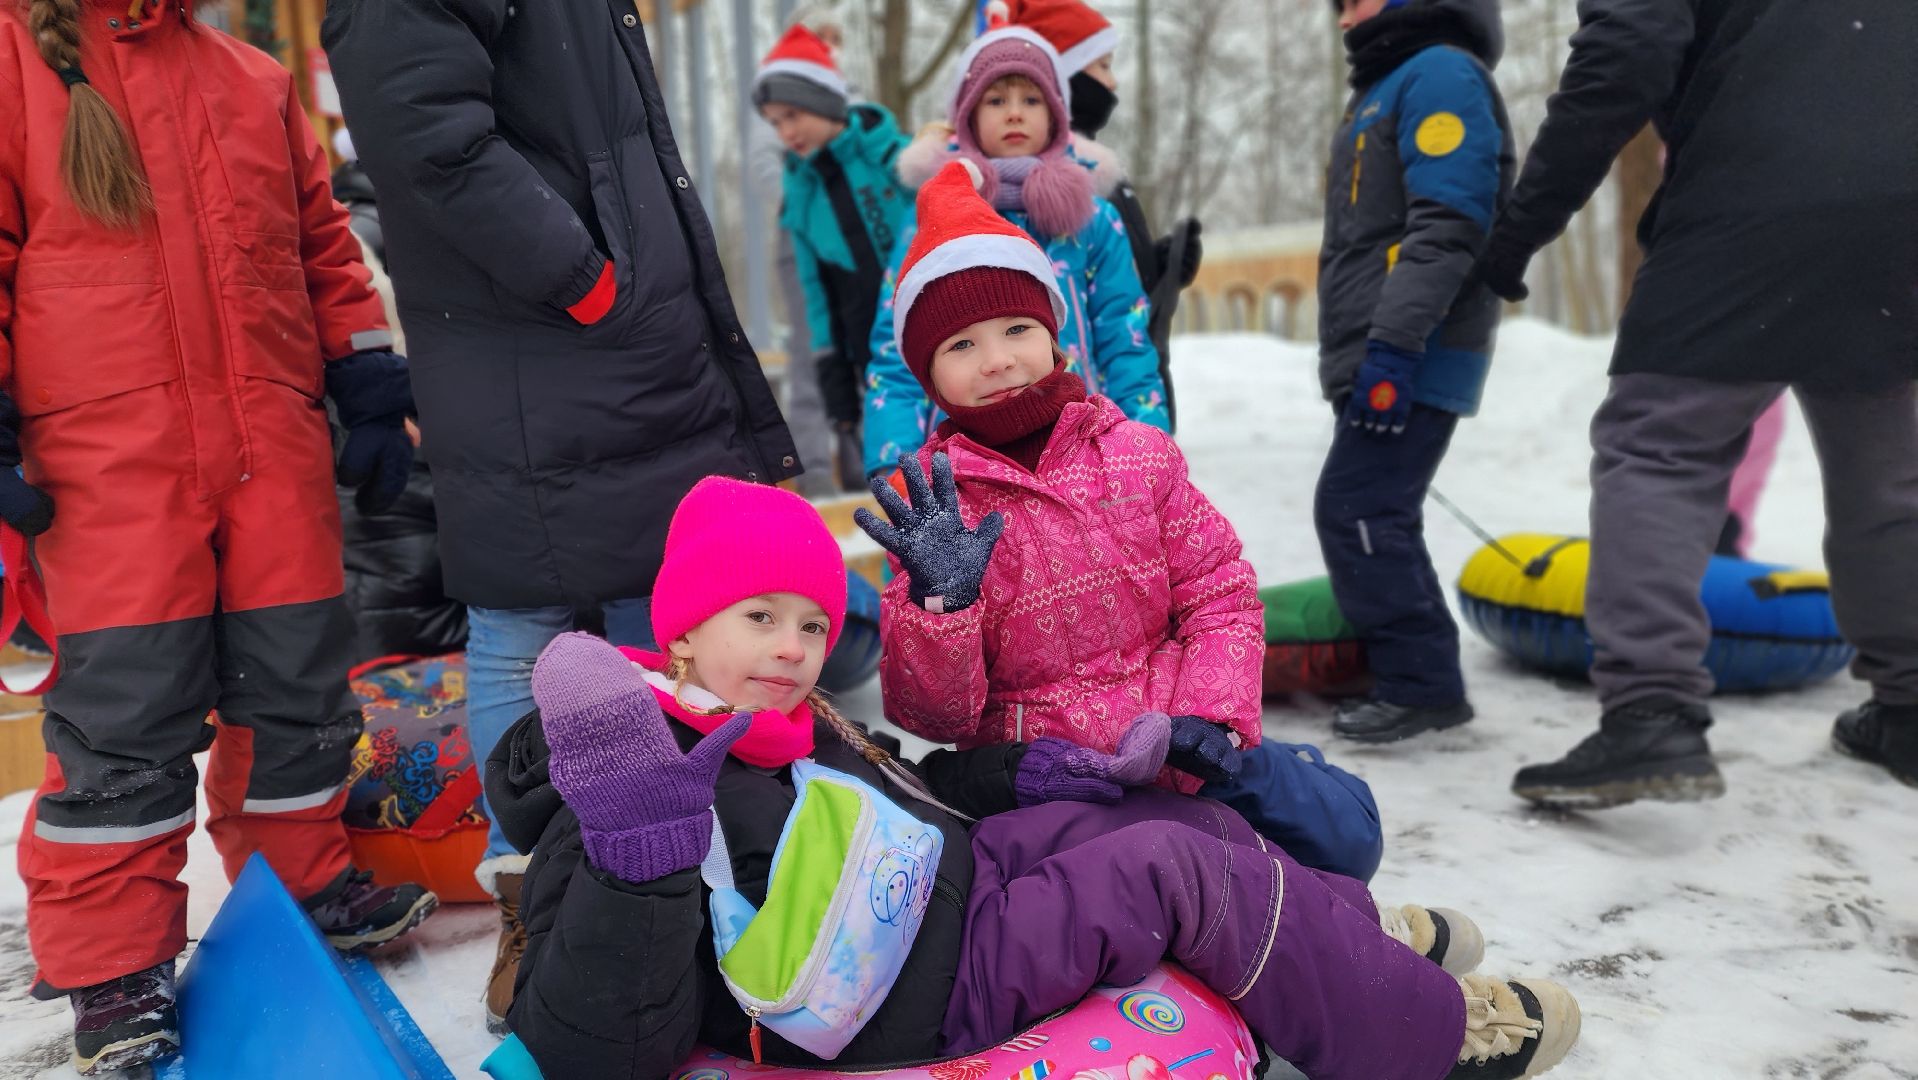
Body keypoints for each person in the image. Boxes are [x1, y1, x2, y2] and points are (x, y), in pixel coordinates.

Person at [486, 475, 1582, 1080]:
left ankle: (1344, 939)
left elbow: (895, 783)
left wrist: (1027, 773)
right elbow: (595, 1040)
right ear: (679, 633)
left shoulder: (773, 719)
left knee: (1154, 811)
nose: (792, 646)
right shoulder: (628, 769)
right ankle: (1429, 1038)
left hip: (940, 882)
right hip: (899, 987)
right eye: (758, 617)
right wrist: (643, 866)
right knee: (1164, 872)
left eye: (814, 622)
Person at [322, 0, 800, 1032]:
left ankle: (686, 889)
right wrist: (583, 276)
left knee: (660, 602)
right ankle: (540, 899)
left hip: (609, 332)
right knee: (523, 615)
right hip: (537, 330)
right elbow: (427, 135)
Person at [2, 1, 436, 1070]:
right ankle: (114, 968)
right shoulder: (14, 59)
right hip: (107, 471)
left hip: (270, 456)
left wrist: (367, 375)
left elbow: (323, 241)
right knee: (123, 721)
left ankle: (299, 881)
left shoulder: (248, 76)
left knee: (298, 692)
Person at [860, 164, 1384, 881]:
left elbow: (1220, 593)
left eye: (1016, 328)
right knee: (1187, 878)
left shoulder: (1137, 455)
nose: (998, 360)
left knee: (1348, 836)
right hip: (1061, 778)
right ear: (929, 374)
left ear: (1054, 336)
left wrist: (1209, 713)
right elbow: (937, 719)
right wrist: (939, 607)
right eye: (962, 345)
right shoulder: (933, 507)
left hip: (1182, 736)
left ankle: (1288, 786)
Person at [1471, 0, 1918, 803]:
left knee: (1661, 446)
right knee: (1889, 475)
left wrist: (1516, 233)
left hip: (1755, 194)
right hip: (1902, 205)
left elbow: (1626, 52)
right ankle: (1912, 708)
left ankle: (1651, 712)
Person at [1312, 0, 1513, 744]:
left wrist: (1393, 347)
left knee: (1358, 508)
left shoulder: (1439, 76)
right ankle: (1418, 670)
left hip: (1412, 347)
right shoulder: (1386, 88)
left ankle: (1422, 683)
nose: (1343, 14)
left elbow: (1451, 220)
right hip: (1384, 347)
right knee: (1373, 505)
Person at [863, 16, 1168, 478]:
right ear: (967, 116)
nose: (1014, 112)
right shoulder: (931, 221)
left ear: (1056, 116)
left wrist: (1146, 444)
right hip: (964, 454)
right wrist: (896, 462)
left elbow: (1124, 337)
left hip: (1080, 448)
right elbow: (898, 345)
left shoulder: (1092, 218)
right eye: (996, 99)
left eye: (1031, 99)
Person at [1007, 0, 1202, 421]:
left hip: (1124, 404)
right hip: (1071, 415)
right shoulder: (1060, 173)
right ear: (1064, 73)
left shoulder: (1098, 166)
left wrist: (1162, 268)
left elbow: (1116, 299)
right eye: (1102, 66)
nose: (1112, 84)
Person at [754, 23, 912, 489]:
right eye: (775, 123)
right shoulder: (801, 193)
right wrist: (831, 367)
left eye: (791, 116)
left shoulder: (891, 155)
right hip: (871, 347)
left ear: (823, 102)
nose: (785, 133)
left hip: (929, 322)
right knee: (899, 465)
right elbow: (814, 291)